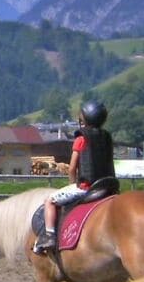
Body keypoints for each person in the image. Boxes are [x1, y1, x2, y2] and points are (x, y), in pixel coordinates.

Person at [35, 100, 116, 255]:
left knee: (50, 201)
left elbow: (72, 168)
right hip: (108, 186)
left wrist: (73, 184)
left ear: (84, 119)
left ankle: (50, 235)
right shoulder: (107, 137)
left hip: (87, 188)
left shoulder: (81, 139)